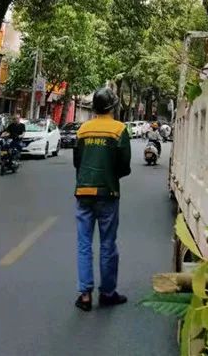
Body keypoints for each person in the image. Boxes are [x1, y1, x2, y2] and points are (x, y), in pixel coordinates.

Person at [73, 87, 131, 312]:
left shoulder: (83, 130)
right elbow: (124, 167)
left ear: (95, 108)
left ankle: (85, 295)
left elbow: (77, 162)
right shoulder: (119, 130)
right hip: (108, 194)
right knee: (107, 243)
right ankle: (107, 292)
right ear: (113, 106)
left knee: (84, 244)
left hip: (83, 193)